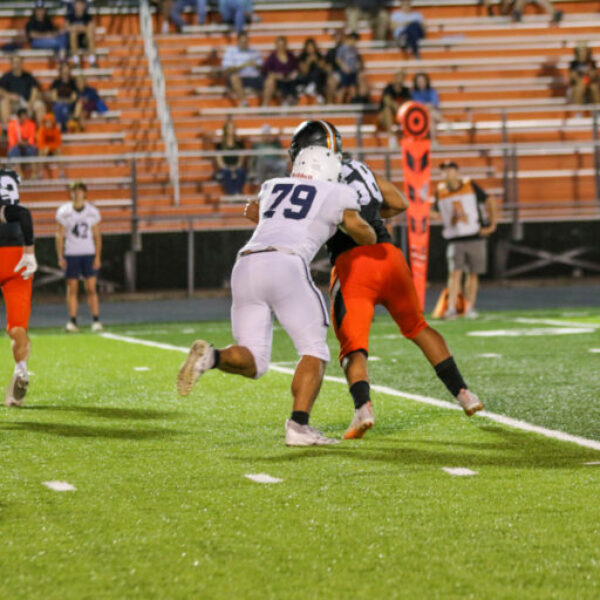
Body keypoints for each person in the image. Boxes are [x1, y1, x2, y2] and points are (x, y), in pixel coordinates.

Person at [177, 120, 377, 446]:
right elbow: (360, 230)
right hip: (285, 263)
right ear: (327, 161)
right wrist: (368, 234)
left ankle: (210, 357)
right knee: (314, 348)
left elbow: (252, 212)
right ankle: (298, 426)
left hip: (246, 264)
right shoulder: (336, 190)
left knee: (254, 362)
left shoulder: (273, 186)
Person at [321, 151, 483, 438]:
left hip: (354, 265)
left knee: (353, 346)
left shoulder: (320, 177)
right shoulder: (362, 169)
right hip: (391, 259)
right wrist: (371, 216)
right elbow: (399, 202)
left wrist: (360, 228)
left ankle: (363, 409)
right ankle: (464, 393)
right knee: (418, 327)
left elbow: (351, 224)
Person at [432, 161, 497, 319]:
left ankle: (469, 307)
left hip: (474, 235)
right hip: (454, 238)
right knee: (454, 273)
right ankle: (452, 308)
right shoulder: (440, 192)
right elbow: (433, 212)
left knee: (473, 274)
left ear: (456, 172)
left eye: (450, 170)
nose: (447, 174)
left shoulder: (470, 186)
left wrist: (492, 224)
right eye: (445, 171)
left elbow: (490, 201)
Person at [0, 169, 37, 407]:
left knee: (17, 328)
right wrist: (30, 252)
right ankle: (21, 371)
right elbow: (22, 213)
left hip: (14, 258)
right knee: (17, 328)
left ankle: (21, 372)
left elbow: (21, 213)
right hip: (18, 259)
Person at [55, 181, 103, 332]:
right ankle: (73, 321)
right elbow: (59, 235)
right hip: (72, 253)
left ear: (85, 193)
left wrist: (97, 256)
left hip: (88, 253)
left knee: (91, 288)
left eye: (79, 191)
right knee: (72, 288)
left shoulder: (92, 212)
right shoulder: (64, 211)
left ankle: (96, 320)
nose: (77, 194)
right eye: (74, 191)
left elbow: (97, 235)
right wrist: (60, 256)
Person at [0, 55, 45, 126]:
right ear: (11, 64)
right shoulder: (6, 77)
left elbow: (35, 90)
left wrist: (31, 102)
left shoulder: (28, 77)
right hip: (13, 104)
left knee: (40, 105)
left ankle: (40, 130)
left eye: (18, 62)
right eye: (15, 62)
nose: (17, 64)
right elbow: (1, 90)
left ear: (21, 63)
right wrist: (9, 96)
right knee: (3, 103)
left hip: (27, 103)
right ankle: (6, 130)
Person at [221, 31, 263, 106]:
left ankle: (265, 105)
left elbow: (262, 66)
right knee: (234, 77)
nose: (244, 43)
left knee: (270, 79)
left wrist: (255, 65)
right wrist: (242, 66)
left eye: (246, 41)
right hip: (239, 77)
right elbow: (227, 69)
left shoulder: (254, 51)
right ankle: (244, 102)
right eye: (242, 41)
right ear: (238, 41)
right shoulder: (231, 52)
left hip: (254, 77)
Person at [262, 36, 298, 106]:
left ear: (285, 45)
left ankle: (289, 100)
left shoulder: (290, 56)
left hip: (290, 80)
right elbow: (267, 71)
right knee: (270, 81)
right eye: (279, 45)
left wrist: (293, 74)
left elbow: (296, 68)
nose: (281, 47)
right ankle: (265, 104)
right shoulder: (272, 57)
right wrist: (276, 75)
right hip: (278, 80)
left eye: (283, 45)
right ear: (276, 45)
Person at [327, 31, 362, 104]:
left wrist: (357, 66)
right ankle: (337, 105)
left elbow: (356, 60)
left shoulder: (354, 49)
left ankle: (354, 104)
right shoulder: (342, 48)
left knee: (353, 89)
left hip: (352, 72)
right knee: (343, 88)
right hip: (345, 72)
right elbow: (338, 59)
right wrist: (344, 67)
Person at [214, 117, 246, 194]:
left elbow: (241, 159)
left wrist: (236, 167)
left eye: (233, 128)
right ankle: (231, 193)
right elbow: (219, 161)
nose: (231, 130)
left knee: (240, 172)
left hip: (237, 167)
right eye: (229, 128)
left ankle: (238, 192)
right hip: (225, 167)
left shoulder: (239, 144)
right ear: (225, 130)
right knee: (226, 172)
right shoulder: (219, 145)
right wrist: (227, 168)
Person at [378, 70, 411, 143]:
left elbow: (408, 104)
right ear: (395, 78)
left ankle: (408, 138)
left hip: (399, 116)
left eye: (401, 78)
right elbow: (387, 100)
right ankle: (391, 137)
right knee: (387, 110)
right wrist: (396, 106)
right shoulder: (388, 88)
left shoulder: (405, 90)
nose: (399, 80)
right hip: (385, 116)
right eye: (398, 77)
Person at [50, 61, 81, 132]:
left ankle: (60, 128)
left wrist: (62, 100)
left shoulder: (73, 83)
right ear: (60, 71)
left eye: (67, 70)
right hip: (58, 105)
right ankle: (64, 128)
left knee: (63, 108)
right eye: (64, 70)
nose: (65, 72)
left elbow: (73, 98)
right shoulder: (56, 83)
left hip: (69, 106)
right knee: (60, 108)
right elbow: (53, 98)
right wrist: (65, 100)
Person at [7, 108, 38, 179]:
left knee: (31, 150)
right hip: (16, 146)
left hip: (27, 146)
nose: (24, 119)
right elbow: (11, 140)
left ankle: (34, 174)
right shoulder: (12, 124)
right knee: (14, 151)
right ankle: (19, 173)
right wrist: (18, 143)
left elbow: (32, 138)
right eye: (22, 117)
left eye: (25, 117)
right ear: (18, 117)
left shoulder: (31, 124)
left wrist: (26, 143)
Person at [66, 0, 97, 67]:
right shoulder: (70, 16)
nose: (79, 6)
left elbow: (91, 27)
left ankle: (92, 61)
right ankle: (76, 61)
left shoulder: (87, 16)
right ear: (74, 5)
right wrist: (82, 28)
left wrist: (76, 28)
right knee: (73, 34)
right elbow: (67, 27)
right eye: (78, 4)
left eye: (81, 4)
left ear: (84, 6)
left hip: (85, 40)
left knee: (90, 34)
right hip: (73, 40)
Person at [296, 38, 327, 102]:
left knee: (317, 73)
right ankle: (311, 89)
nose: (310, 49)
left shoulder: (319, 55)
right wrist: (308, 61)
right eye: (309, 47)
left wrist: (317, 61)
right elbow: (304, 71)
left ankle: (316, 91)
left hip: (319, 80)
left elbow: (324, 68)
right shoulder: (302, 57)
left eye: (312, 47)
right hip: (307, 79)